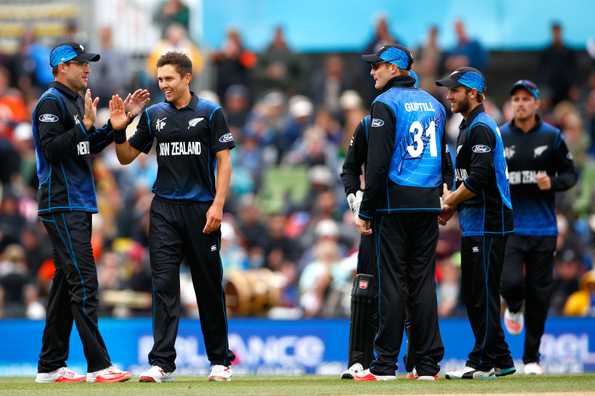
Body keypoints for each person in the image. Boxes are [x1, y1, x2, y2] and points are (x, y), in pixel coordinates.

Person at [112, 51, 236, 382]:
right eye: (160, 79)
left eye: (168, 78)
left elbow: (224, 162)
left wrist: (218, 204)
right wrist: (121, 126)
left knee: (207, 286)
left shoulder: (210, 113)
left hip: (201, 209)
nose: (162, 84)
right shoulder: (154, 115)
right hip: (164, 209)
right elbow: (125, 157)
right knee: (164, 285)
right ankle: (162, 363)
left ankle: (220, 361)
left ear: (186, 78)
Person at [31, 42, 146, 384]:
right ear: (61, 67)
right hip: (62, 201)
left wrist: (115, 127)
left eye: (88, 63)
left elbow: (84, 147)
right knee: (84, 281)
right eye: (80, 63)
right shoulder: (50, 102)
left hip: (74, 201)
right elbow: (52, 150)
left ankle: (50, 365)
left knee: (67, 284)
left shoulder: (70, 101)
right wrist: (83, 126)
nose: (87, 68)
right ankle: (98, 365)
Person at [352, 45, 449, 382]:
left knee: (392, 284)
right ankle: (426, 367)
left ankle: (384, 366)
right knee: (423, 284)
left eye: (377, 66)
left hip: (394, 204)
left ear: (394, 69)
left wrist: (366, 209)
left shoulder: (385, 104)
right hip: (427, 204)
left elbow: (377, 165)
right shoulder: (436, 104)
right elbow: (444, 159)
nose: (372, 72)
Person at [436, 67, 515, 379]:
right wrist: (452, 209)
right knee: (476, 292)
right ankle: (503, 359)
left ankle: (481, 362)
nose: (448, 95)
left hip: (489, 222)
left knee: (481, 293)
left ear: (472, 93)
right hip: (476, 222)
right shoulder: (469, 126)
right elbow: (466, 179)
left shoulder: (480, 127)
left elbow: (480, 179)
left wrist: (450, 202)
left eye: (454, 90)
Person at [500, 80, 577, 375]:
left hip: (544, 229)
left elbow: (570, 175)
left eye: (525, 99)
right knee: (509, 284)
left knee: (540, 295)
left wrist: (552, 183)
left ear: (536, 104)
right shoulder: (501, 136)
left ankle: (532, 359)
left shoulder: (552, 136)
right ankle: (514, 306)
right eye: (515, 99)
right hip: (512, 227)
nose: (519, 103)